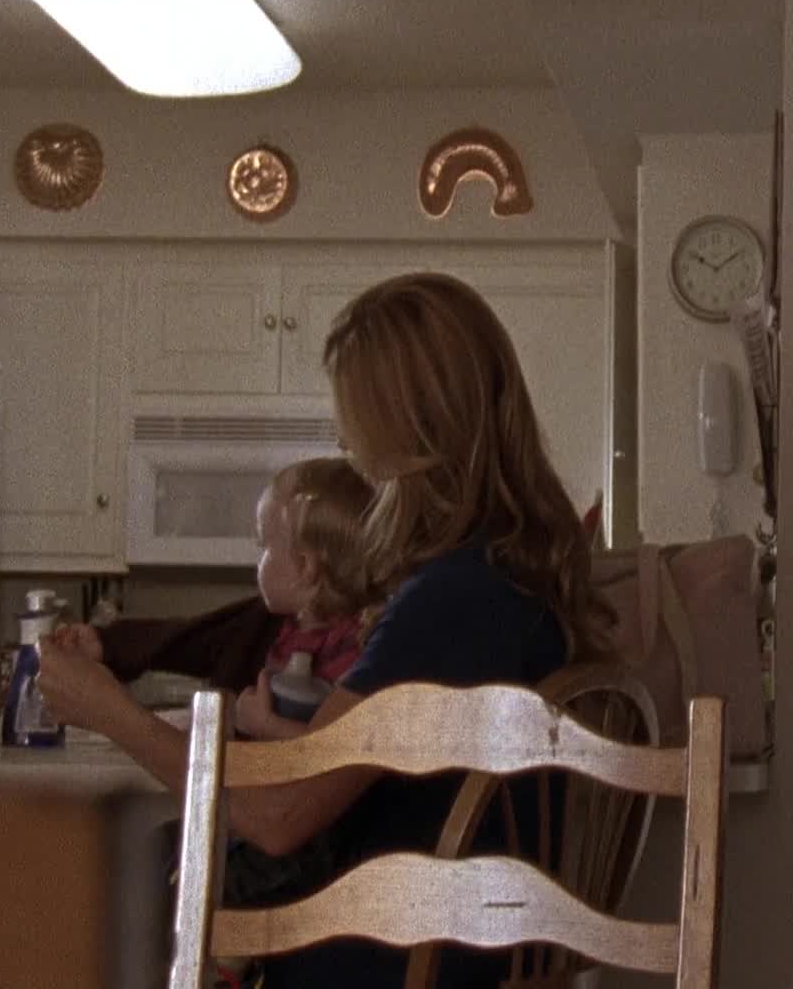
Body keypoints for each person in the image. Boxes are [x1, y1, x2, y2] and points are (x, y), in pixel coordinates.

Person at [37, 271, 610, 988]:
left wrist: (108, 711)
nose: (346, 443)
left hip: (388, 967)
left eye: (356, 421)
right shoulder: (513, 578)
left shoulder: (451, 601)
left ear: (405, 426)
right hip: (466, 955)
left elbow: (279, 817)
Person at [49, 457, 373, 741]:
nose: (258, 559)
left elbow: (346, 751)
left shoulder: (363, 647)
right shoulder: (263, 624)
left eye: (264, 546)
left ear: (305, 566)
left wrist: (267, 726)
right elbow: (188, 638)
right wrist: (105, 643)